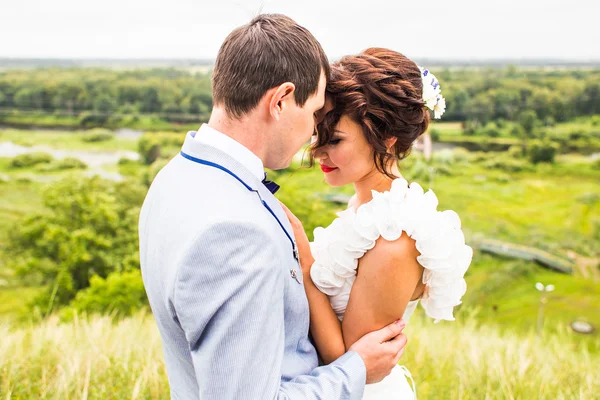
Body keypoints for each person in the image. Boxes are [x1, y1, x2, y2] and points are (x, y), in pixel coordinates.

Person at [139, 15, 407, 400]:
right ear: (280, 101)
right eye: (314, 112)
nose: (315, 132)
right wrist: (357, 369)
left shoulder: (172, 179)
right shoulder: (235, 233)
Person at [281, 48, 472, 399]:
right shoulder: (368, 209)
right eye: (317, 133)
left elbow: (352, 365)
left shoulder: (396, 237)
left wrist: (303, 258)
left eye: (334, 139)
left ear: (386, 139)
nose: (317, 151)